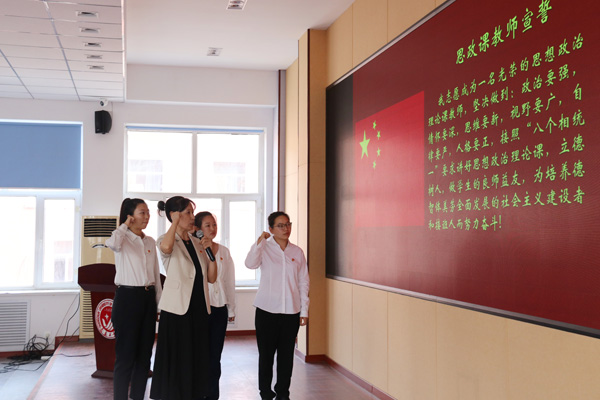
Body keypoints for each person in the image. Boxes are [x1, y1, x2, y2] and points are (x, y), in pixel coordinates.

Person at [150, 196, 217, 400]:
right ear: (174, 215)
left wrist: (210, 253)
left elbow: (211, 277)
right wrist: (175, 223)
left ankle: (194, 394)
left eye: (192, 212)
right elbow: (166, 249)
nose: (192, 217)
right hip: (178, 309)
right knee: (178, 357)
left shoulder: (197, 242)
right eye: (188, 212)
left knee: (196, 356)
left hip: (199, 307)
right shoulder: (165, 239)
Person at [245, 211, 310, 400]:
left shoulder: (297, 252)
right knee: (266, 356)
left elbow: (303, 282)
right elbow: (250, 264)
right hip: (267, 310)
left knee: (286, 356)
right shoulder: (264, 248)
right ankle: (265, 393)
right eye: (280, 225)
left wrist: (304, 311)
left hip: (291, 311)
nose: (286, 228)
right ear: (271, 229)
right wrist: (259, 242)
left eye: (288, 224)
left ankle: (283, 393)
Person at [106, 198, 163, 400]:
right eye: (142, 212)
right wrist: (124, 225)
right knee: (125, 357)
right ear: (130, 217)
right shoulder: (121, 239)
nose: (147, 217)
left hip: (147, 298)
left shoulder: (150, 242)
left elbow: (155, 275)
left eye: (148, 212)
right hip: (127, 299)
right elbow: (111, 244)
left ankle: (137, 397)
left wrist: (158, 305)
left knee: (144, 356)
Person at [194, 211, 236, 400]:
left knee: (215, 355)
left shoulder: (224, 251)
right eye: (207, 225)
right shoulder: (194, 249)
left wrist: (231, 307)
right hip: (200, 308)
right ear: (198, 229)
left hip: (219, 308)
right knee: (199, 354)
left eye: (214, 225)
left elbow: (229, 281)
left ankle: (212, 395)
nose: (212, 229)